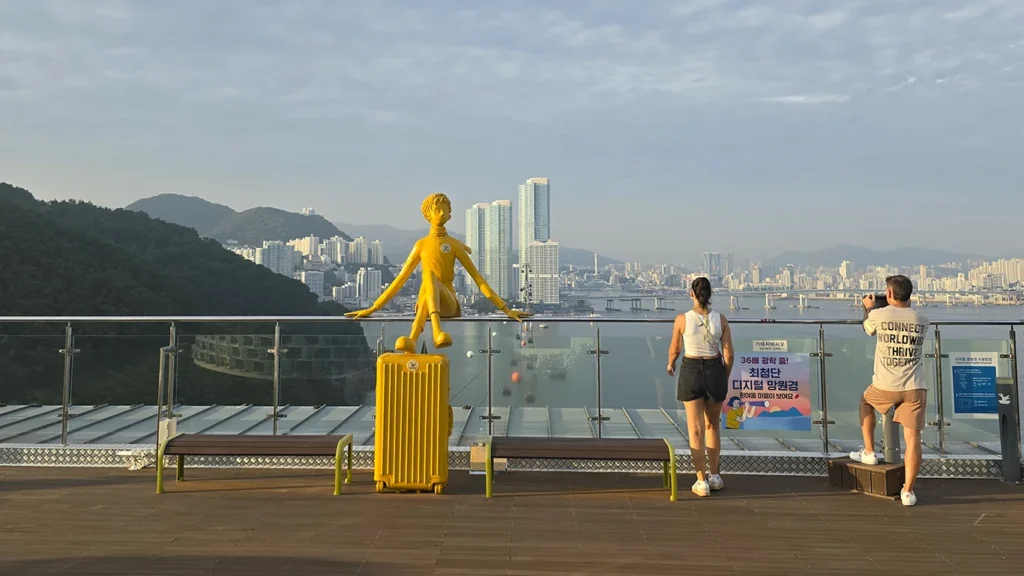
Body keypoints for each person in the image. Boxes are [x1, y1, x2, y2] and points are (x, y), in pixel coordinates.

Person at [345, 193, 530, 352]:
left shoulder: (455, 244)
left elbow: (478, 279)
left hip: (449, 303)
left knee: (428, 276)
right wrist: (373, 308)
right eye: (437, 209)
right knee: (428, 279)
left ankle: (422, 334)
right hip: (426, 302)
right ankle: (425, 336)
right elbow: (401, 278)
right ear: (428, 215)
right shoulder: (421, 244)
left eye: (445, 210)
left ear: (450, 215)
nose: (442, 213)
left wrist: (506, 309)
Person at [849, 275, 930, 506]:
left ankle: (869, 452)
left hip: (885, 386)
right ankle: (908, 491)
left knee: (865, 402)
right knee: (913, 439)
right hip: (915, 387)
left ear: (891, 294)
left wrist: (868, 308)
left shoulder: (878, 315)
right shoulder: (922, 319)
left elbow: (868, 330)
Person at [667, 277, 734, 497]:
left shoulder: (682, 319)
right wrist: (723, 375)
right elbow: (729, 354)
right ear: (710, 295)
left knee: (695, 429)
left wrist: (670, 364)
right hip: (715, 369)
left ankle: (701, 480)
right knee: (713, 426)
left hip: (691, 370)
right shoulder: (720, 319)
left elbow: (675, 349)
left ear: (692, 294)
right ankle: (715, 476)